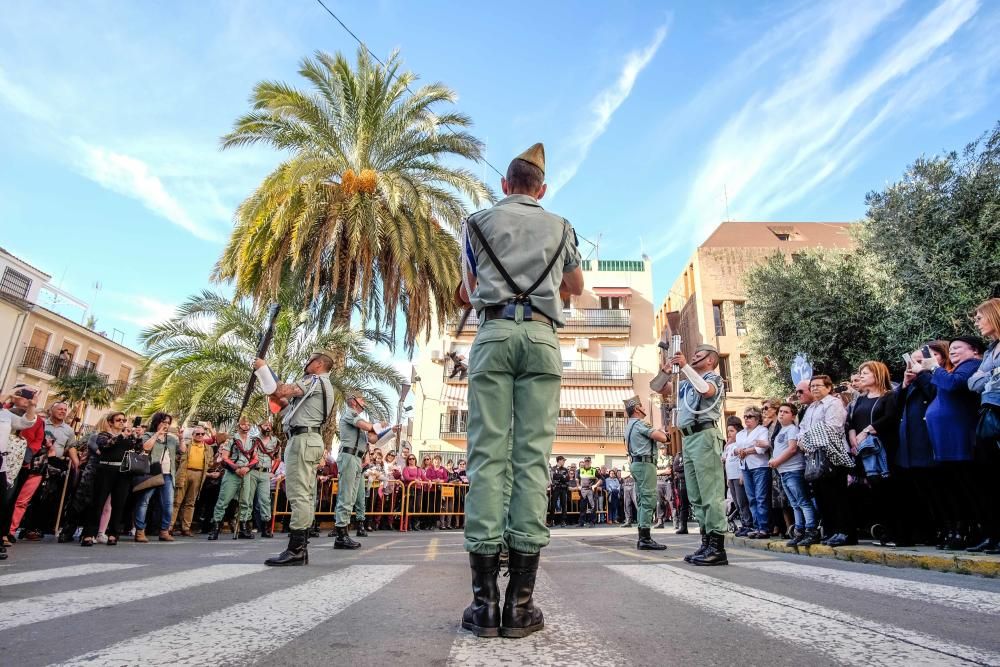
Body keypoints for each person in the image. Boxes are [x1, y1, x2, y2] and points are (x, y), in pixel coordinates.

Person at [456, 142, 584, 639]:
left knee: (488, 456)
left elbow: (468, 290)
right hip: (542, 338)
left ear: (505, 185)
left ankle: (484, 606)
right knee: (532, 459)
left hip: (492, 334)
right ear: (542, 190)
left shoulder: (475, 222)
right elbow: (576, 285)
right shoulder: (562, 226)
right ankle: (521, 606)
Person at [254, 349, 337, 565]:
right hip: (309, 438)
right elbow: (285, 408)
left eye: (309, 360)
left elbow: (281, 390)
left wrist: (263, 368)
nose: (306, 363)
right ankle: (301, 547)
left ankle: (296, 549)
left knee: (298, 493)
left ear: (318, 364)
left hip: (303, 440)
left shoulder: (313, 380)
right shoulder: (319, 386)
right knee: (306, 494)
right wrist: (272, 391)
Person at [665, 344, 728, 566]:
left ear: (710, 360)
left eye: (698, 355)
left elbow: (706, 390)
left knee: (711, 493)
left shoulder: (714, 379)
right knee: (696, 496)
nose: (693, 357)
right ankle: (706, 542)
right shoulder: (685, 383)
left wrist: (684, 366)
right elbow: (659, 389)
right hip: (688, 438)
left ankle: (717, 548)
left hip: (704, 435)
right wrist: (666, 371)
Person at [923, 336, 984, 550]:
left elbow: (954, 385)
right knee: (953, 488)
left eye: (958, 347)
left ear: (975, 350)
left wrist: (933, 368)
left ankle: (978, 531)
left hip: (960, 439)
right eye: (951, 348)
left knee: (968, 487)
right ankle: (960, 531)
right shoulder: (953, 370)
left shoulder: (972, 366)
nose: (953, 351)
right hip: (945, 442)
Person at [894, 342, 948, 547]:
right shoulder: (911, 382)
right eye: (912, 362)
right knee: (922, 492)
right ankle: (930, 530)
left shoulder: (937, 376)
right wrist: (905, 384)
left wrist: (924, 374)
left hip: (928, 441)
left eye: (919, 361)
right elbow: (895, 406)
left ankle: (947, 528)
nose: (915, 365)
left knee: (938, 490)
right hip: (909, 445)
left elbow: (935, 394)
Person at [796, 375, 852, 546]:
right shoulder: (811, 407)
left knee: (837, 495)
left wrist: (807, 438)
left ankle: (844, 532)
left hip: (833, 454)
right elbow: (802, 430)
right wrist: (804, 439)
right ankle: (830, 531)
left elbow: (832, 427)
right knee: (822, 496)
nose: (814, 389)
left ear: (829, 387)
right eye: (812, 386)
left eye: (818, 385)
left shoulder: (833, 403)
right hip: (815, 456)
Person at [969, 299, 1000, 554]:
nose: (977, 323)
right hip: (988, 413)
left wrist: (988, 377)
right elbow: (974, 383)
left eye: (980, 318)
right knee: (988, 478)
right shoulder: (990, 351)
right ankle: (993, 535)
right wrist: (993, 375)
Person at [81, 412, 140, 547]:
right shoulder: (104, 435)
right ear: (111, 422)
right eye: (118, 420)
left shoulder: (127, 437)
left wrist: (136, 436)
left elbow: (138, 449)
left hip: (122, 473)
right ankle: (89, 534)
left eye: (124, 420)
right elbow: (105, 446)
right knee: (97, 503)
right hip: (105, 470)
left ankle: (113, 534)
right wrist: (121, 436)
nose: (121, 422)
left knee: (118, 504)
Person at [623, 396, 669, 550]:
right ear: (637, 409)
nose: (643, 408)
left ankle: (643, 536)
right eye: (641, 406)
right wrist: (663, 433)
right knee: (649, 499)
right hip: (645, 463)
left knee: (643, 500)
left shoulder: (629, 425)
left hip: (637, 463)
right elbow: (662, 438)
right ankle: (645, 538)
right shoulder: (640, 423)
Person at [768, 403, 818, 546]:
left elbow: (792, 449)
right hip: (783, 472)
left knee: (803, 501)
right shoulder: (781, 430)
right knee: (795, 504)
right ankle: (799, 531)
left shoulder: (792, 429)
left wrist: (776, 461)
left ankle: (811, 530)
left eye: (786, 412)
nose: (781, 414)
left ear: (793, 416)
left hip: (793, 470)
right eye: (780, 411)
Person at [0, 385, 40, 552]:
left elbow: (25, 422)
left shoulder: (6, 415)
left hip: (2, 462)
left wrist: (31, 406)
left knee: (3, 500)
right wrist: (9, 394)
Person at [206, 417, 257, 540]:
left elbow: (255, 458)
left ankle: (243, 529)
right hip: (232, 472)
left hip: (246, 472)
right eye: (244, 424)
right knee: (223, 501)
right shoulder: (231, 440)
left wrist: (247, 468)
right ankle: (216, 528)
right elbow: (225, 457)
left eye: (248, 424)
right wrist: (236, 469)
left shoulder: (253, 441)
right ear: (239, 426)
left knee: (245, 501)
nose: (246, 426)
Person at [735, 406, 771, 540]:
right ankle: (756, 527)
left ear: (757, 418)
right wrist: (742, 451)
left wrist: (745, 451)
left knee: (761, 497)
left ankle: (764, 527)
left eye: (749, 417)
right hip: (745, 466)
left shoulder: (762, 430)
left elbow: (761, 449)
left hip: (759, 466)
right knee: (751, 498)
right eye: (745, 417)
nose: (746, 419)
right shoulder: (740, 434)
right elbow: (736, 449)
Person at [722, 420, 753, 536]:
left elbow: (741, 459)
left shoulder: (739, 444)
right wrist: (728, 479)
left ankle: (748, 524)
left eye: (732, 431)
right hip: (731, 477)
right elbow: (724, 460)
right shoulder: (729, 446)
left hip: (738, 476)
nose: (729, 433)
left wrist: (742, 474)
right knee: (737, 502)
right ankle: (743, 523)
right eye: (728, 431)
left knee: (743, 501)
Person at [251, 421, 279, 538]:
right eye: (264, 425)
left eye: (269, 425)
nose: (267, 427)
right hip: (252, 470)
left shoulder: (276, 441)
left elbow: (277, 458)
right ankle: (245, 527)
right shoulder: (253, 439)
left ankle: (265, 528)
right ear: (259, 427)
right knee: (247, 499)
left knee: (265, 501)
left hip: (265, 473)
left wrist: (272, 472)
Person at [654, 444, 673, 529]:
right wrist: (664, 470)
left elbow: (669, 471)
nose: (662, 450)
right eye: (661, 449)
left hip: (667, 481)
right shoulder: (656, 460)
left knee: (670, 500)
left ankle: (675, 522)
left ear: (666, 449)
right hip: (658, 481)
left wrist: (660, 471)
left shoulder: (670, 458)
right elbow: (654, 472)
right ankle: (660, 521)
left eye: (664, 449)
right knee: (659, 502)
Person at [576, 457, 598, 527]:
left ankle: (592, 522)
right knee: (582, 507)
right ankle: (581, 522)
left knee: (592, 507)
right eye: (586, 461)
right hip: (583, 490)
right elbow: (577, 479)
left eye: (588, 461)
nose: (587, 462)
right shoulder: (579, 470)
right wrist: (578, 485)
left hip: (591, 490)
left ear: (590, 462)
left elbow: (601, 479)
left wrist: (595, 485)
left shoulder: (594, 470)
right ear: (584, 462)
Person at [549, 456, 570, 528]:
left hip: (563, 488)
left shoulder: (565, 469)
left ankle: (563, 521)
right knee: (553, 504)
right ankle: (552, 520)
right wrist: (562, 476)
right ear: (559, 461)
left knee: (563, 505)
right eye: (563, 460)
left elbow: (567, 479)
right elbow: (553, 477)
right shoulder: (553, 468)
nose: (564, 462)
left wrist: (560, 477)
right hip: (555, 489)